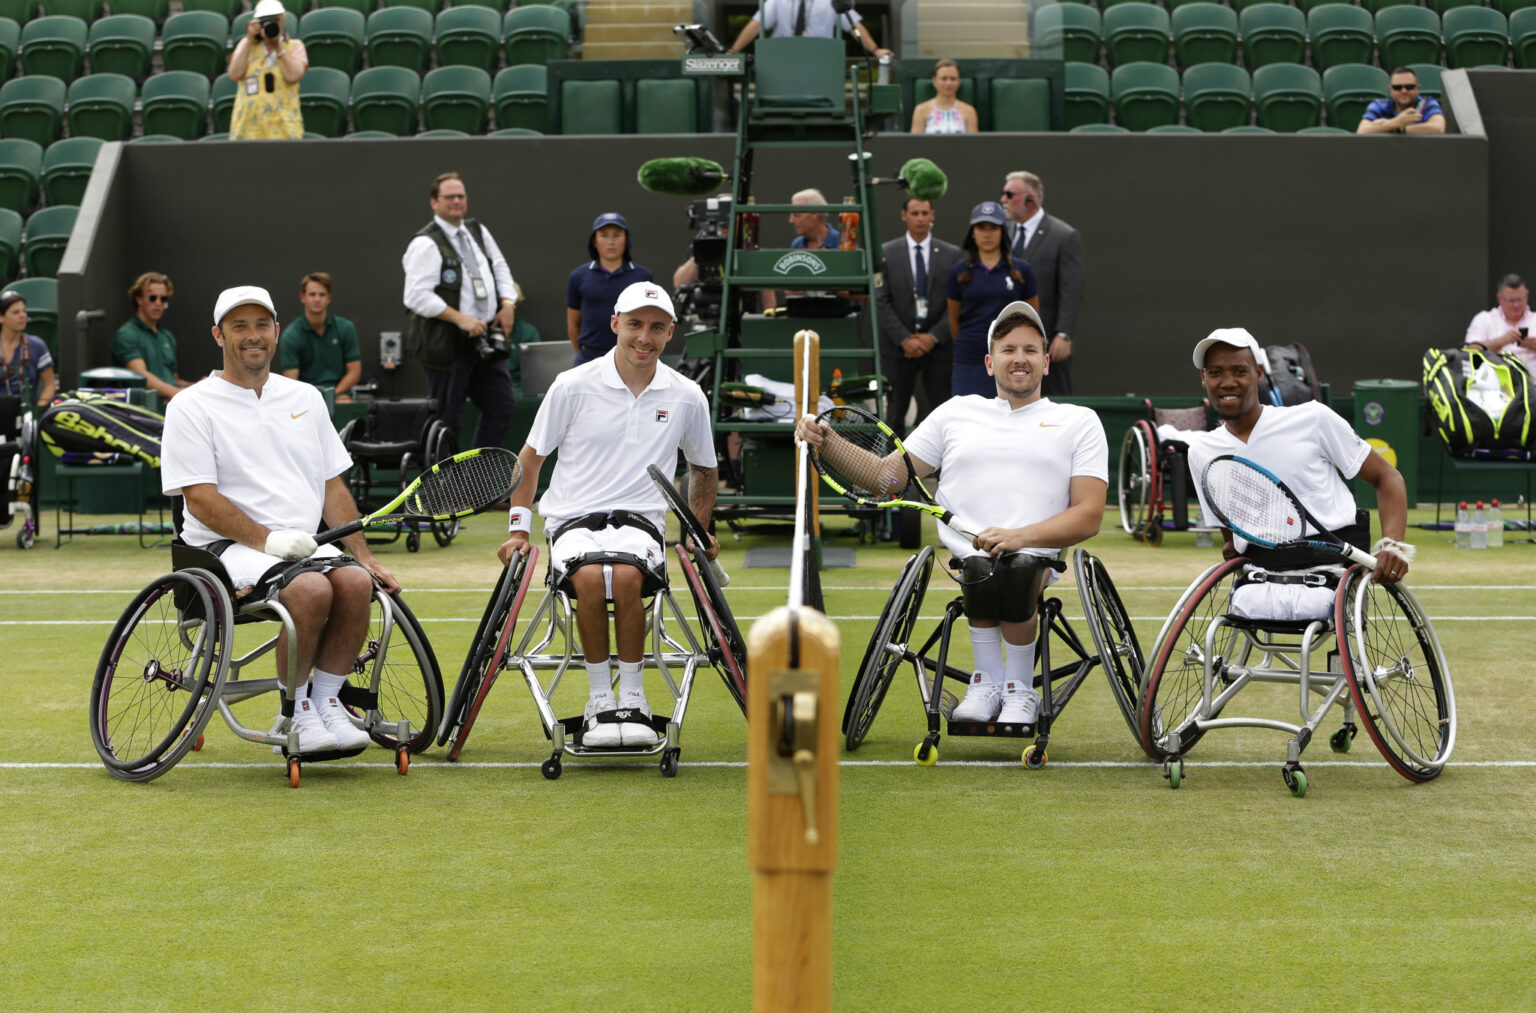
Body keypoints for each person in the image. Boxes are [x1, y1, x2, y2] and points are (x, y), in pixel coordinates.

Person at [798, 302, 1106, 725]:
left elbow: (1089, 514)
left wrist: (1020, 537)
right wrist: (827, 441)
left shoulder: (1079, 421)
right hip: (971, 561)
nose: (1020, 358)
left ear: (1046, 362)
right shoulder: (955, 412)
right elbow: (887, 479)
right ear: (989, 361)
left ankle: (1019, 691)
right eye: (1008, 349)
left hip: (1036, 558)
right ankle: (987, 682)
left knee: (1016, 566)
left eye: (1031, 350)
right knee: (981, 564)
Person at [160, 285, 398, 753]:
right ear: (218, 335)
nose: (253, 336)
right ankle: (296, 713)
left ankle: (327, 701)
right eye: (240, 326)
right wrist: (269, 541)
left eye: (262, 325)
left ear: (275, 332)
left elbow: (332, 485)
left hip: (302, 546)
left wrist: (364, 556)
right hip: (225, 550)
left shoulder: (306, 397)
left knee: (354, 585)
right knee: (309, 590)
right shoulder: (189, 405)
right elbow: (202, 500)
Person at [498, 281, 719, 749]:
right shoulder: (572, 385)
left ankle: (634, 698)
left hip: (641, 526)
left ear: (670, 333)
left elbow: (704, 469)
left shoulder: (686, 394)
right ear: (615, 324)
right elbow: (530, 462)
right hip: (572, 522)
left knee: (623, 577)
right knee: (589, 575)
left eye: (657, 327)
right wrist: (519, 531)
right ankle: (602, 699)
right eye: (635, 324)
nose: (645, 337)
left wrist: (698, 528)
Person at [1186, 328, 1411, 621]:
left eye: (1239, 371)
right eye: (1216, 372)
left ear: (1258, 373)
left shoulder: (1314, 419)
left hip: (1334, 573)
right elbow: (1231, 542)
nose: (1227, 382)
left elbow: (1389, 478)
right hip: (1258, 583)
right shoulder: (1201, 452)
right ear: (1204, 378)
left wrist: (1392, 545)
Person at [402, 171, 518, 449]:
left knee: (502, 405)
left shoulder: (477, 230)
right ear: (434, 202)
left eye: (460, 196)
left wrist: (508, 303)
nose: (456, 201)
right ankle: (446, 488)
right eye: (449, 197)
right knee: (446, 420)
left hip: (484, 337)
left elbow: (500, 267)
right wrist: (460, 319)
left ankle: (478, 482)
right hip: (446, 343)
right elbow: (415, 296)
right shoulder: (425, 243)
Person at [875, 196, 960, 431]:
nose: (920, 219)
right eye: (915, 213)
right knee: (893, 417)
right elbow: (880, 301)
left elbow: (956, 303)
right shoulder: (886, 253)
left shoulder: (951, 254)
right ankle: (892, 467)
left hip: (938, 348)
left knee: (944, 414)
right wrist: (904, 339)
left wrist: (933, 337)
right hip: (898, 350)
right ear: (904, 216)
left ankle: (944, 468)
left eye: (925, 213)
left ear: (932, 215)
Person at [1001, 171, 1084, 395]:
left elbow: (1071, 289)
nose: (1003, 200)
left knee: (1054, 402)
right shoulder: (1003, 232)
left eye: (1010, 195)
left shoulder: (1063, 236)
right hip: (1007, 337)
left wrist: (1064, 334)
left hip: (1046, 337)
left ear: (1030, 199)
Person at [946, 201, 1038, 398]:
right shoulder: (959, 272)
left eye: (993, 228)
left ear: (1003, 232)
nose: (987, 234)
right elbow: (953, 321)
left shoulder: (1022, 270)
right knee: (967, 416)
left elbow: (1033, 319)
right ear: (972, 232)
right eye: (981, 228)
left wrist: (1011, 348)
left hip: (1010, 358)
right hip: (969, 357)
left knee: (1011, 413)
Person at [566, 212, 654, 367]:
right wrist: (581, 352)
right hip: (588, 357)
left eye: (617, 235)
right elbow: (573, 323)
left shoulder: (642, 276)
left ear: (626, 239)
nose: (611, 242)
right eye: (604, 235)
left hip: (631, 357)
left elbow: (650, 320)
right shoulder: (578, 276)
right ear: (594, 240)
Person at [227, 0, 308, 141]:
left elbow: (293, 76)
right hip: (248, 127)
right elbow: (234, 74)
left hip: (284, 127)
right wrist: (248, 40)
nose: (272, 24)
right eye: (266, 21)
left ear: (283, 19)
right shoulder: (246, 45)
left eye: (276, 19)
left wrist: (278, 46)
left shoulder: (295, 46)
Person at [279, 272, 361, 403]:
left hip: (339, 395)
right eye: (312, 294)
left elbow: (355, 372)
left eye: (322, 294)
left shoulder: (346, 328)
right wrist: (314, 398)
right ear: (302, 297)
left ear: (329, 298)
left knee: (346, 403)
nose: (317, 299)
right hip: (305, 397)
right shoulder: (291, 335)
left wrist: (333, 394)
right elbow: (291, 381)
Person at [113, 271, 191, 402]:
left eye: (163, 299)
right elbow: (140, 376)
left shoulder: (167, 336)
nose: (158, 303)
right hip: (143, 412)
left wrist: (196, 387)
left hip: (171, 405)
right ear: (139, 299)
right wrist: (177, 394)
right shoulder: (127, 334)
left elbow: (173, 380)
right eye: (152, 298)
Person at [728, 0, 892, 57]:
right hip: (784, 57)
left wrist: (875, 50)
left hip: (819, 58)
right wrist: (735, 50)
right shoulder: (777, 1)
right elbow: (756, 25)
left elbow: (854, 26)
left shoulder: (831, 1)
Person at [1464, 272, 1536, 374]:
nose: (1516, 305)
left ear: (1527, 296)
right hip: (1494, 386)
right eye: (1511, 301)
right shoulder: (1484, 319)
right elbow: (1469, 352)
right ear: (1500, 298)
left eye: (1520, 299)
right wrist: (1501, 341)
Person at [0, 291, 55, 408]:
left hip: (27, 414)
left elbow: (50, 385)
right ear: (1, 317)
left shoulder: (37, 345)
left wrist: (38, 409)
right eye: (16, 312)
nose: (22, 315)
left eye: (24, 311)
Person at [1356, 67, 1445, 136]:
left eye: (1409, 87)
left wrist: (1399, 128)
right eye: (1397, 87)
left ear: (1418, 88)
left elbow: (1438, 128)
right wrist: (1395, 122)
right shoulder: (1378, 104)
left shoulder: (1427, 103)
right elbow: (1362, 131)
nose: (1404, 91)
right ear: (1391, 89)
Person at [910, 59, 977, 135]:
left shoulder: (969, 111)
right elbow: (915, 144)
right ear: (935, 81)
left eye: (953, 79)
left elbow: (974, 144)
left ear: (959, 81)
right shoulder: (921, 110)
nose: (948, 83)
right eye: (944, 79)